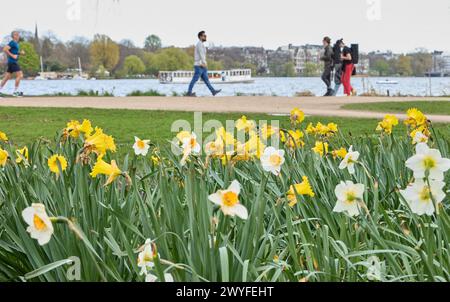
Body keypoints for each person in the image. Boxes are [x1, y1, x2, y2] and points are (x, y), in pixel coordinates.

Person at [186, 31, 221, 97]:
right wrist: (204, 63)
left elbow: (203, 55)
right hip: (199, 65)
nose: (205, 37)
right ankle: (189, 92)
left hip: (202, 66)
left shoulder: (201, 44)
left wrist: (204, 64)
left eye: (206, 36)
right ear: (200, 37)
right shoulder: (199, 44)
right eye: (204, 36)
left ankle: (213, 91)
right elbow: (201, 55)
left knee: (206, 80)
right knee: (194, 79)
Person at [0, 31, 25, 97]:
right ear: (13, 36)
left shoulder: (16, 44)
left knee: (6, 77)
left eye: (18, 34)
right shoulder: (12, 42)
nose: (17, 36)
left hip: (11, 62)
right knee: (20, 75)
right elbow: (5, 49)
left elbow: (14, 52)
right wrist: (12, 55)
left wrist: (20, 53)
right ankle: (15, 92)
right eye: (15, 35)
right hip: (12, 62)